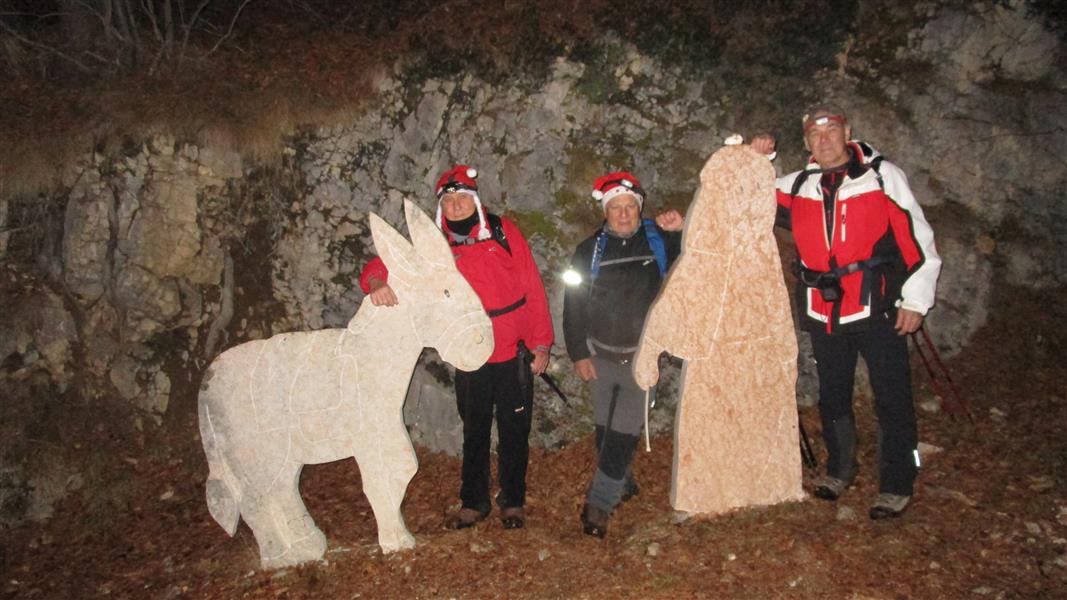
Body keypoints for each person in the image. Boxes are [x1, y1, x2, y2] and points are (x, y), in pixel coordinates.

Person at [761, 105, 941, 519]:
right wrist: (758, 157)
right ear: (806, 142)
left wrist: (916, 300)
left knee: (892, 397)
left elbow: (918, 238)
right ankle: (840, 468)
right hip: (824, 310)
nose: (824, 140)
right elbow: (743, 193)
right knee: (833, 394)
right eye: (815, 134)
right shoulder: (797, 185)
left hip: (878, 305)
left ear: (848, 133)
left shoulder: (881, 177)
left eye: (832, 131)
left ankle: (897, 482)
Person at [359, 165, 553, 530]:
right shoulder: (434, 246)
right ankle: (474, 501)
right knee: (474, 429)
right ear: (441, 206)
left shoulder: (503, 232)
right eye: (449, 201)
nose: (456, 205)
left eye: (463, 198)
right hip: (469, 353)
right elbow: (386, 260)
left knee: (514, 430)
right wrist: (375, 281)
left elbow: (532, 286)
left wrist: (541, 343)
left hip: (513, 350)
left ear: (475, 200)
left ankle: (513, 500)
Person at [561, 171, 684, 537]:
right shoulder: (588, 251)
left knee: (621, 436)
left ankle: (598, 506)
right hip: (599, 356)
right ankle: (623, 482)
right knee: (604, 432)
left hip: (641, 360)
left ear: (639, 208)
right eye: (616, 208)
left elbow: (690, 263)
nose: (624, 214)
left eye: (630, 206)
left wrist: (678, 231)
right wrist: (578, 353)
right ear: (606, 211)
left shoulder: (658, 241)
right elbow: (573, 304)